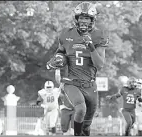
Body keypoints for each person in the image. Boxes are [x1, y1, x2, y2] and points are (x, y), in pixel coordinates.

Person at [47, 2, 108, 136]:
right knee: (80, 109)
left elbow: (100, 64)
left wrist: (90, 45)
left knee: (86, 127)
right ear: (76, 18)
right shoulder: (66, 34)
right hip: (71, 82)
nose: (83, 21)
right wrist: (56, 60)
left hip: (90, 85)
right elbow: (60, 52)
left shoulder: (99, 35)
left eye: (87, 18)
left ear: (92, 20)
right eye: (81, 17)